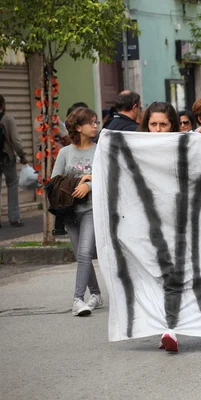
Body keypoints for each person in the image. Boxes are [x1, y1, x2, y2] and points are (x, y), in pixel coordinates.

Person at [52, 107, 102, 316]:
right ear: (78, 127)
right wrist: (77, 182)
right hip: (70, 211)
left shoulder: (99, 150)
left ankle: (78, 299)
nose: (95, 126)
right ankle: (96, 294)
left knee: (84, 252)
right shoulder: (65, 153)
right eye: (90, 122)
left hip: (91, 209)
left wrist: (88, 186)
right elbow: (54, 183)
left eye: (96, 122)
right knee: (82, 256)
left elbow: (106, 177)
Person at [0, 94, 28, 228]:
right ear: (3, 105)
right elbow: (15, 140)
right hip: (6, 158)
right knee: (12, 185)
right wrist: (22, 155)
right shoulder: (7, 119)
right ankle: (14, 218)